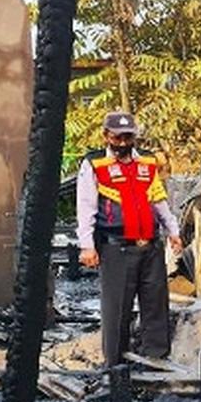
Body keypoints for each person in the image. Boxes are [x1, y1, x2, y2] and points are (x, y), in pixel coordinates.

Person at [76, 111, 183, 367]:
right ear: (106, 136)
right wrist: (87, 246)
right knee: (117, 308)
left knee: (155, 302)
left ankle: (156, 358)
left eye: (128, 137)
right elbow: (86, 207)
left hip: (150, 244)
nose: (123, 143)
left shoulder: (147, 161)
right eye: (117, 137)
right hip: (116, 246)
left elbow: (158, 199)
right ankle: (115, 364)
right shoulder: (94, 164)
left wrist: (173, 230)